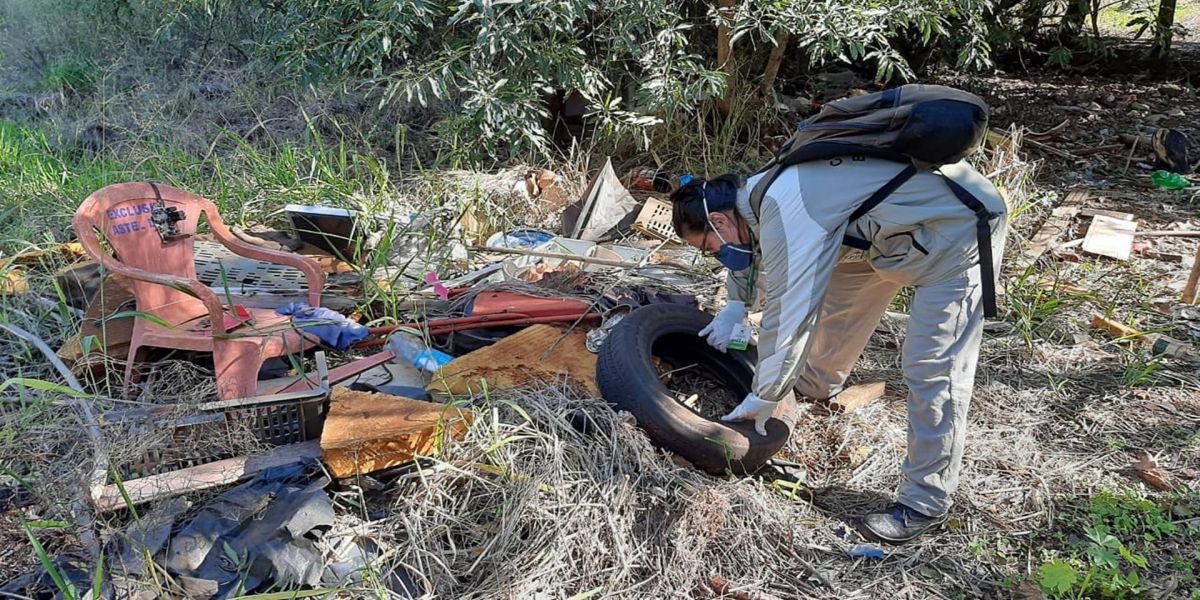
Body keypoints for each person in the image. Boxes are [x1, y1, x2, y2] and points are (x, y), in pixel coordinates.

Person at [669, 157, 1008, 543]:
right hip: (884, 231)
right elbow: (753, 256)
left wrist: (764, 394)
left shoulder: (784, 209)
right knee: (841, 300)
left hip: (955, 226)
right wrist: (735, 304)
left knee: (933, 368)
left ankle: (924, 502)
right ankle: (815, 382)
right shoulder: (758, 197)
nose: (715, 255)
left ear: (720, 220)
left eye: (709, 246)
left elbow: (789, 312)